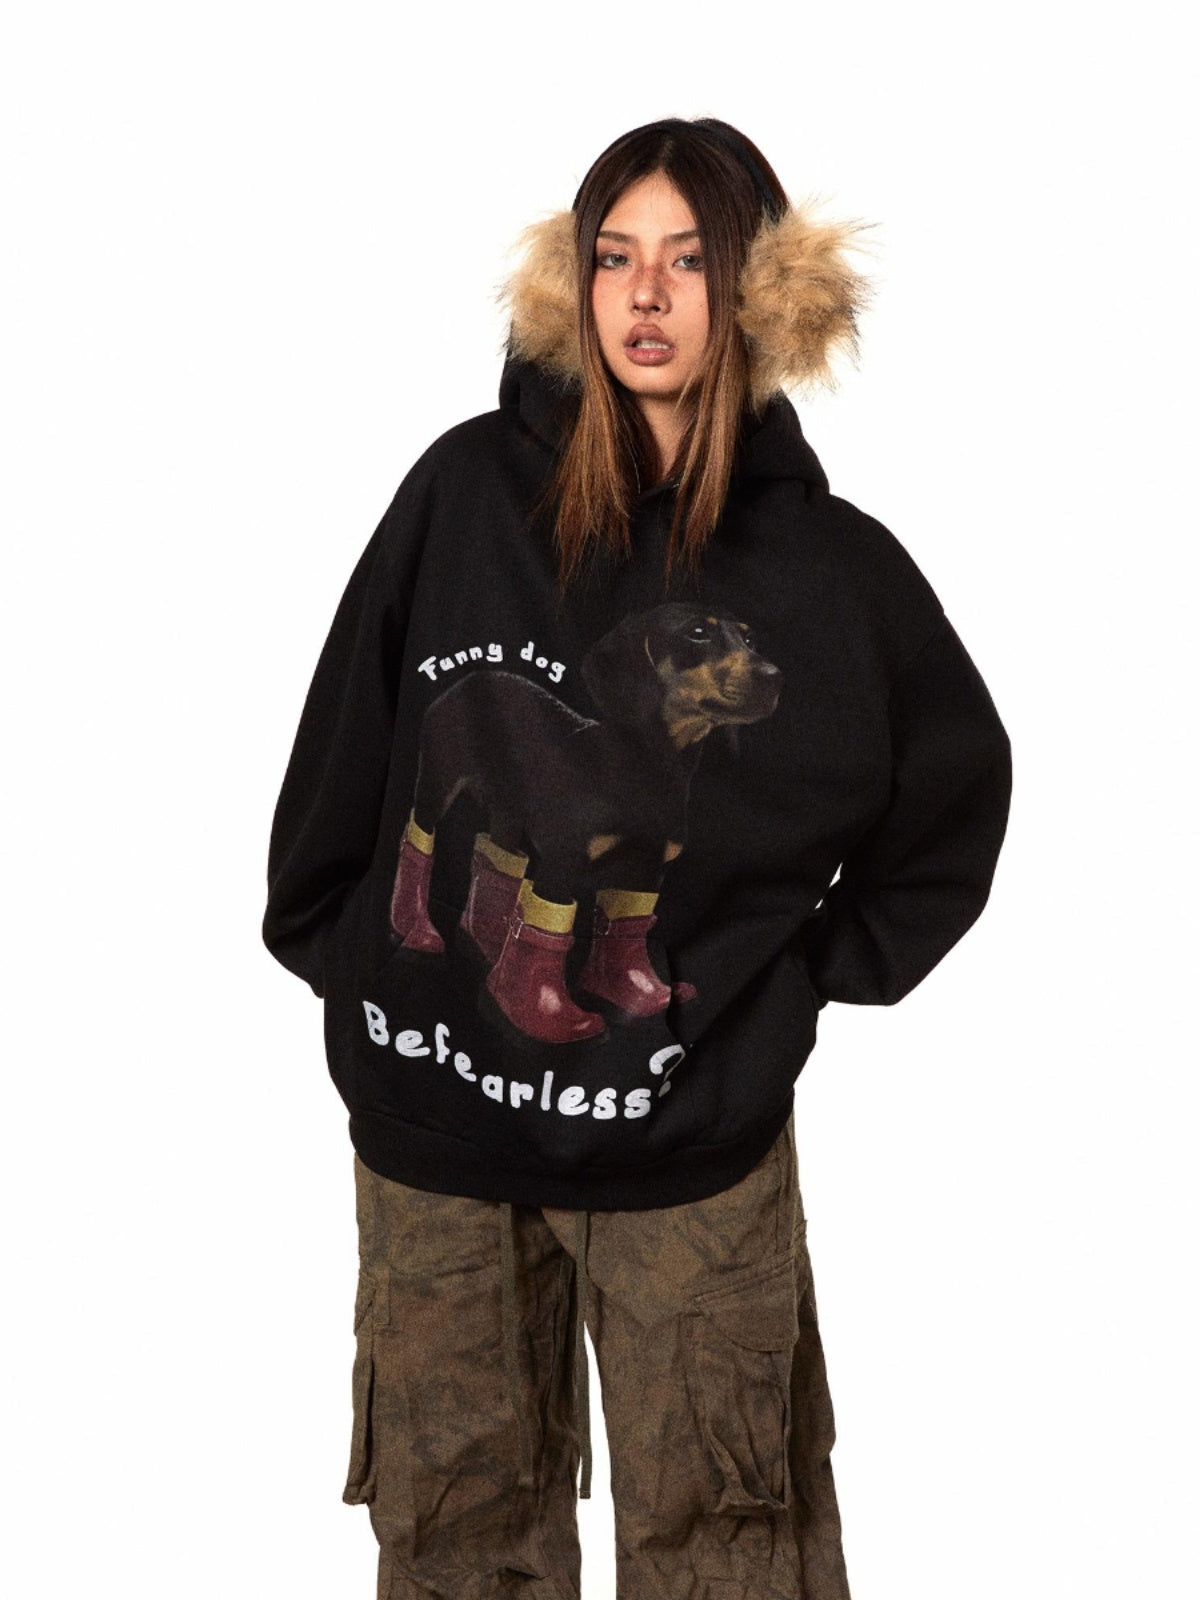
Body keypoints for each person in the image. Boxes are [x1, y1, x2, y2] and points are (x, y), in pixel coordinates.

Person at [262, 116, 1012, 1600]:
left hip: (691, 1156)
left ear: (759, 295)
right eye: (615, 258)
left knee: (732, 1557)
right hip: (438, 1144)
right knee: (454, 1550)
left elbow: (954, 798)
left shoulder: (828, 571)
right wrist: (352, 951)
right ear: (577, 286)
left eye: (689, 260)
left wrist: (795, 982)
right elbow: (350, 736)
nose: (647, 296)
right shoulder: (466, 494)